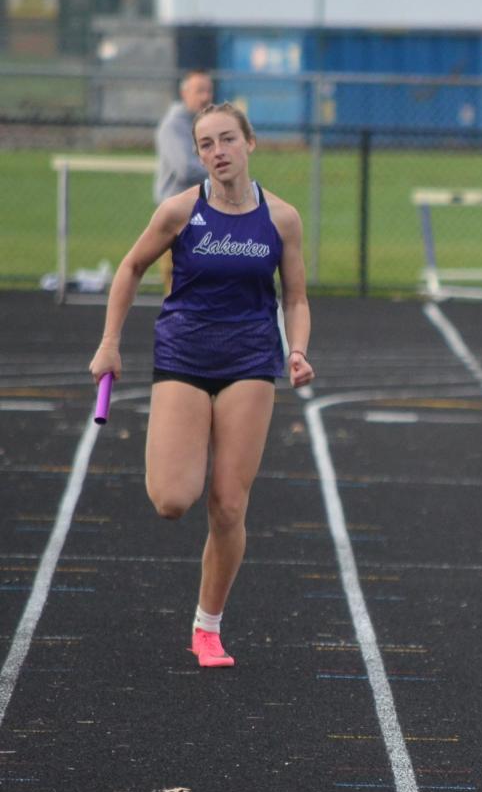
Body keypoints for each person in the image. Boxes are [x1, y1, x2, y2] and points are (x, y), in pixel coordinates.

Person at [89, 102, 315, 668]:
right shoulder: (180, 211)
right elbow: (130, 268)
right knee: (171, 500)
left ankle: (207, 627)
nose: (217, 152)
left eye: (227, 140)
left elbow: (295, 297)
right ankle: (203, 616)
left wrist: (297, 350)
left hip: (249, 361)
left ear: (250, 144)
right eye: (206, 144)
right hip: (184, 357)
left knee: (229, 507)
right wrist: (110, 341)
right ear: (198, 154)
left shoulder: (281, 218)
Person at [154, 69, 215, 296]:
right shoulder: (174, 126)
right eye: (199, 91)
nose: (205, 97)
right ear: (184, 93)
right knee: (178, 283)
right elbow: (185, 169)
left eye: (209, 90)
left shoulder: (205, 124)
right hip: (176, 215)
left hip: (202, 213)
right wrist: (221, 172)